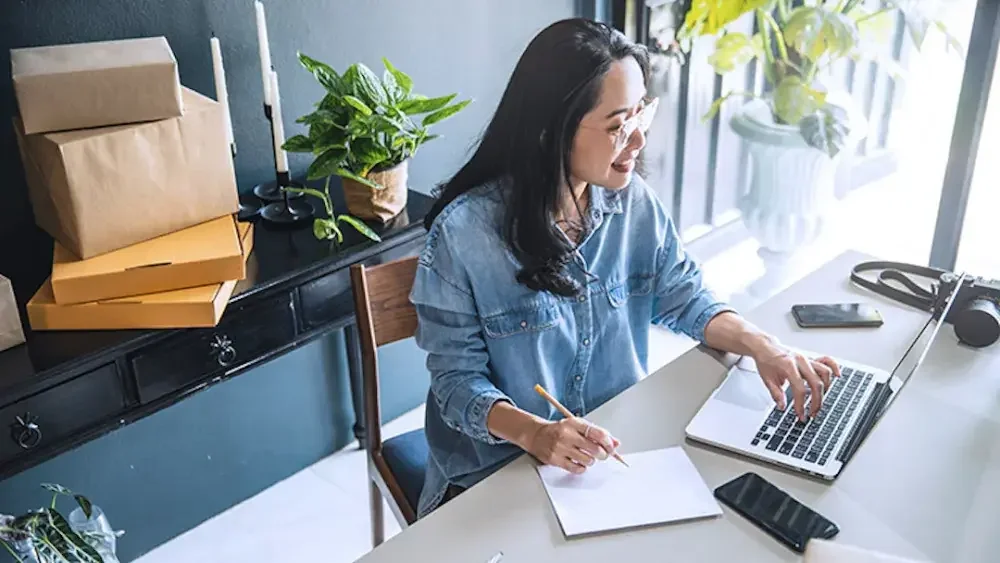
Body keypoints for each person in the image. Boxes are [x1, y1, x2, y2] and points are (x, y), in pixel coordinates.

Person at [408, 18, 841, 518]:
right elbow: (456, 384)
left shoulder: (633, 204)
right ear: (551, 133)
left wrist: (765, 346)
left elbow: (684, 296)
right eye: (617, 126)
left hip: (609, 457)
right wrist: (537, 433)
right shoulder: (463, 236)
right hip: (496, 471)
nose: (637, 142)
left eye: (640, 116)